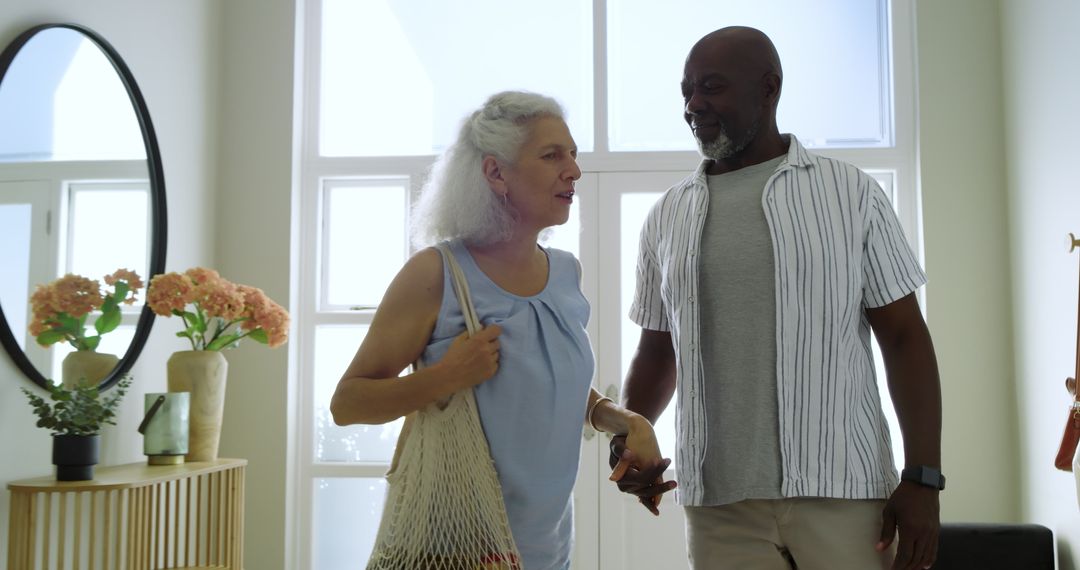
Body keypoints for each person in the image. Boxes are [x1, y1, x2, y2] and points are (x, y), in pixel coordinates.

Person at [598, 26, 943, 570]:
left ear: (769, 88)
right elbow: (659, 349)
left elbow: (904, 337)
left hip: (844, 492)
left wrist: (923, 477)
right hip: (719, 505)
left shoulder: (850, 194)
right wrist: (631, 438)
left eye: (711, 87)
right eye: (686, 90)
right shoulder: (667, 216)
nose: (694, 105)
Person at [330, 90, 667, 570]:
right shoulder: (437, 273)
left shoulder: (567, 273)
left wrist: (625, 420)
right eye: (552, 155)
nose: (573, 169)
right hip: (453, 546)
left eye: (573, 154)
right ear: (495, 173)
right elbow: (347, 403)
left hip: (547, 549)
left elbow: (550, 382)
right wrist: (446, 377)